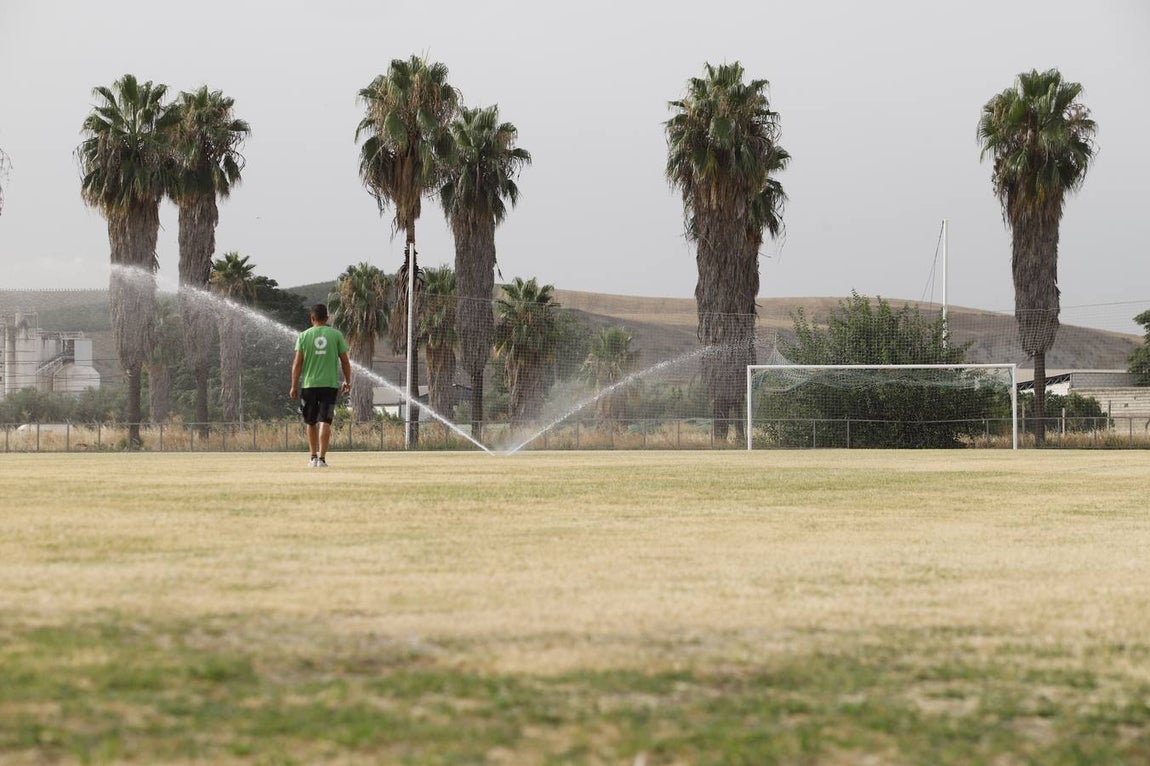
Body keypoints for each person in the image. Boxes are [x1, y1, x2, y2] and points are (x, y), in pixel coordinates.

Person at [290, 303, 352, 468]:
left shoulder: (303, 336)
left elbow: (297, 364)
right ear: (327, 318)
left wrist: (293, 385)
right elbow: (345, 361)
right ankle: (322, 459)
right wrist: (347, 381)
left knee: (310, 422)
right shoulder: (336, 335)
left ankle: (312, 457)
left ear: (312, 318)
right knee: (325, 421)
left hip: (309, 385)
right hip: (329, 385)